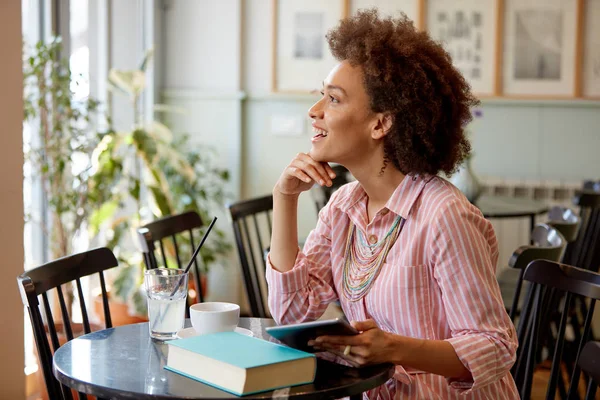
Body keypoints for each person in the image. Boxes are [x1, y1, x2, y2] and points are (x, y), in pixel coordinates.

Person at [266, 9, 518, 399]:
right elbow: (292, 313)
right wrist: (284, 200)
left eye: (333, 99)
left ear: (380, 124)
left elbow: (496, 346)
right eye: (321, 96)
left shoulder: (442, 215)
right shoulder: (343, 206)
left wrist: (396, 348)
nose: (314, 111)